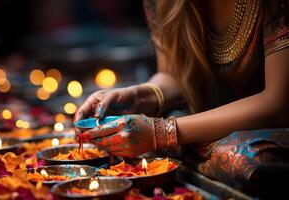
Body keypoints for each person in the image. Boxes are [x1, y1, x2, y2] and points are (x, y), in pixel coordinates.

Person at [74, 0, 289, 195]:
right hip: (199, 120)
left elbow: (277, 103)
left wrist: (161, 134)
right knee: (154, 125)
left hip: (266, 128)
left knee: (250, 159)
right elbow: (171, 76)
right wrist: (140, 95)